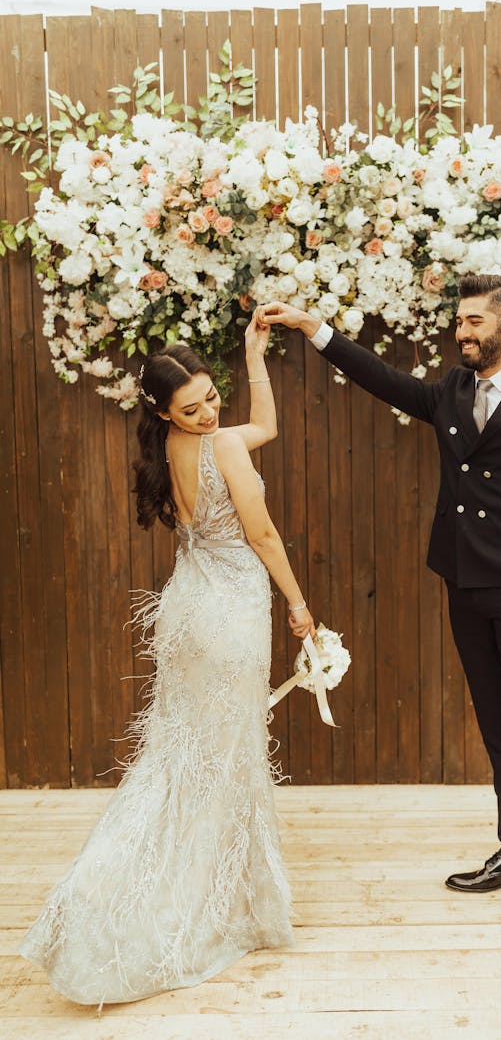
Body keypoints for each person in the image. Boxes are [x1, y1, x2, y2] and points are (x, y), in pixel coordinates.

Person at [259, 272, 501, 925]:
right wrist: (315, 329)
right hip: (464, 584)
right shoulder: (451, 391)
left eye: (475, 321)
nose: (462, 332)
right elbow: (385, 381)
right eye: (460, 321)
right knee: (499, 727)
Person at [19, 309, 315, 1007]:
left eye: (213, 397)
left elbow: (263, 425)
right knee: (218, 757)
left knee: (186, 760)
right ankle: (167, 901)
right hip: (228, 615)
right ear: (163, 410)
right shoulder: (222, 452)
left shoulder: (178, 448)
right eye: (193, 407)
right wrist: (301, 608)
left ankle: (209, 891)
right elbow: (264, 533)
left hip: (189, 608)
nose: (211, 413)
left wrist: (254, 358)